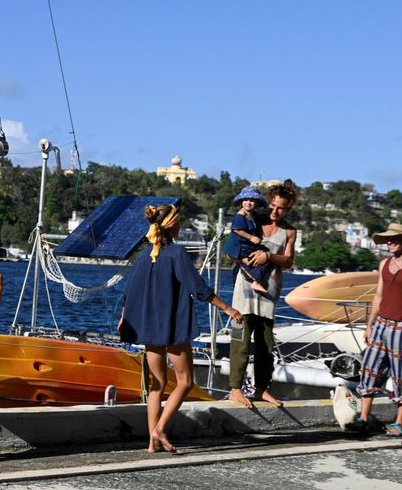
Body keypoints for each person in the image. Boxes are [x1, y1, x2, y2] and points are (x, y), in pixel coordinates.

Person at [118, 204, 242, 453]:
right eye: (178, 222)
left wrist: (124, 318)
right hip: (172, 326)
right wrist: (228, 308)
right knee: (185, 382)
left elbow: (131, 292)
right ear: (171, 225)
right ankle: (160, 430)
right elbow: (198, 287)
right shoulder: (176, 253)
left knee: (157, 384)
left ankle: (152, 442)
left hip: (150, 327)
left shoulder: (144, 255)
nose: (180, 226)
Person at [228, 180, 298, 409]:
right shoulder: (253, 220)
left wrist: (268, 256)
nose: (274, 211)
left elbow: (288, 261)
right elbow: (233, 245)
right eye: (272, 206)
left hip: (269, 292)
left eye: (280, 208)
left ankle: (261, 388)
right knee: (240, 339)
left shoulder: (289, 231)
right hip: (244, 288)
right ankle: (235, 389)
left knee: (265, 345)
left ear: (288, 209)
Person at [352, 222, 402, 436]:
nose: (390, 242)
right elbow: (378, 296)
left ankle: (399, 422)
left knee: (401, 375)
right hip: (381, 324)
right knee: (369, 369)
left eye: (394, 238)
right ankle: (363, 418)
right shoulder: (384, 264)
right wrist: (369, 325)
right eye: (388, 239)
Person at [223, 186, 274, 299]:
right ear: (241, 201)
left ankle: (251, 276)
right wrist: (251, 237)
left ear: (256, 203)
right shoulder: (240, 215)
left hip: (247, 246)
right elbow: (237, 229)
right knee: (261, 260)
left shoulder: (253, 215)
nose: (248, 203)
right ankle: (256, 281)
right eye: (246, 200)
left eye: (252, 200)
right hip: (240, 247)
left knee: (266, 254)